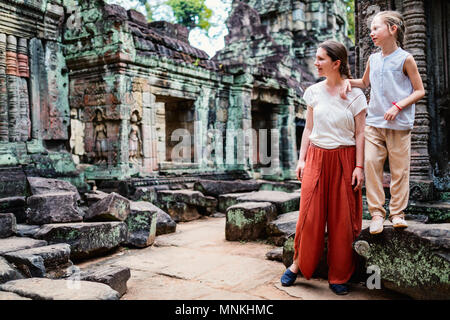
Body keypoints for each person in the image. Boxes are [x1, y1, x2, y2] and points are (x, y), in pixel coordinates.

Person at [280, 40, 367, 295]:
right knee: (309, 215)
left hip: (345, 158)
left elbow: (361, 133)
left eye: (321, 59)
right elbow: (308, 128)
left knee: (343, 219)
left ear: (336, 63)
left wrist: (359, 166)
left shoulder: (355, 94)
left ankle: (339, 275)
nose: (315, 63)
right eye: (315, 58)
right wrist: (301, 159)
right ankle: (298, 265)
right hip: (316, 157)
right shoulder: (313, 92)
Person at [340, 11, 425, 234]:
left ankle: (397, 212)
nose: (372, 33)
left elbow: (419, 91)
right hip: (374, 122)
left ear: (392, 29)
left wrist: (398, 106)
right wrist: (348, 82)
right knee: (371, 166)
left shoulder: (405, 58)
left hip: (399, 124)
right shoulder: (373, 59)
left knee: (399, 170)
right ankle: (377, 213)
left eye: (376, 28)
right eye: (371, 29)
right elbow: (365, 82)